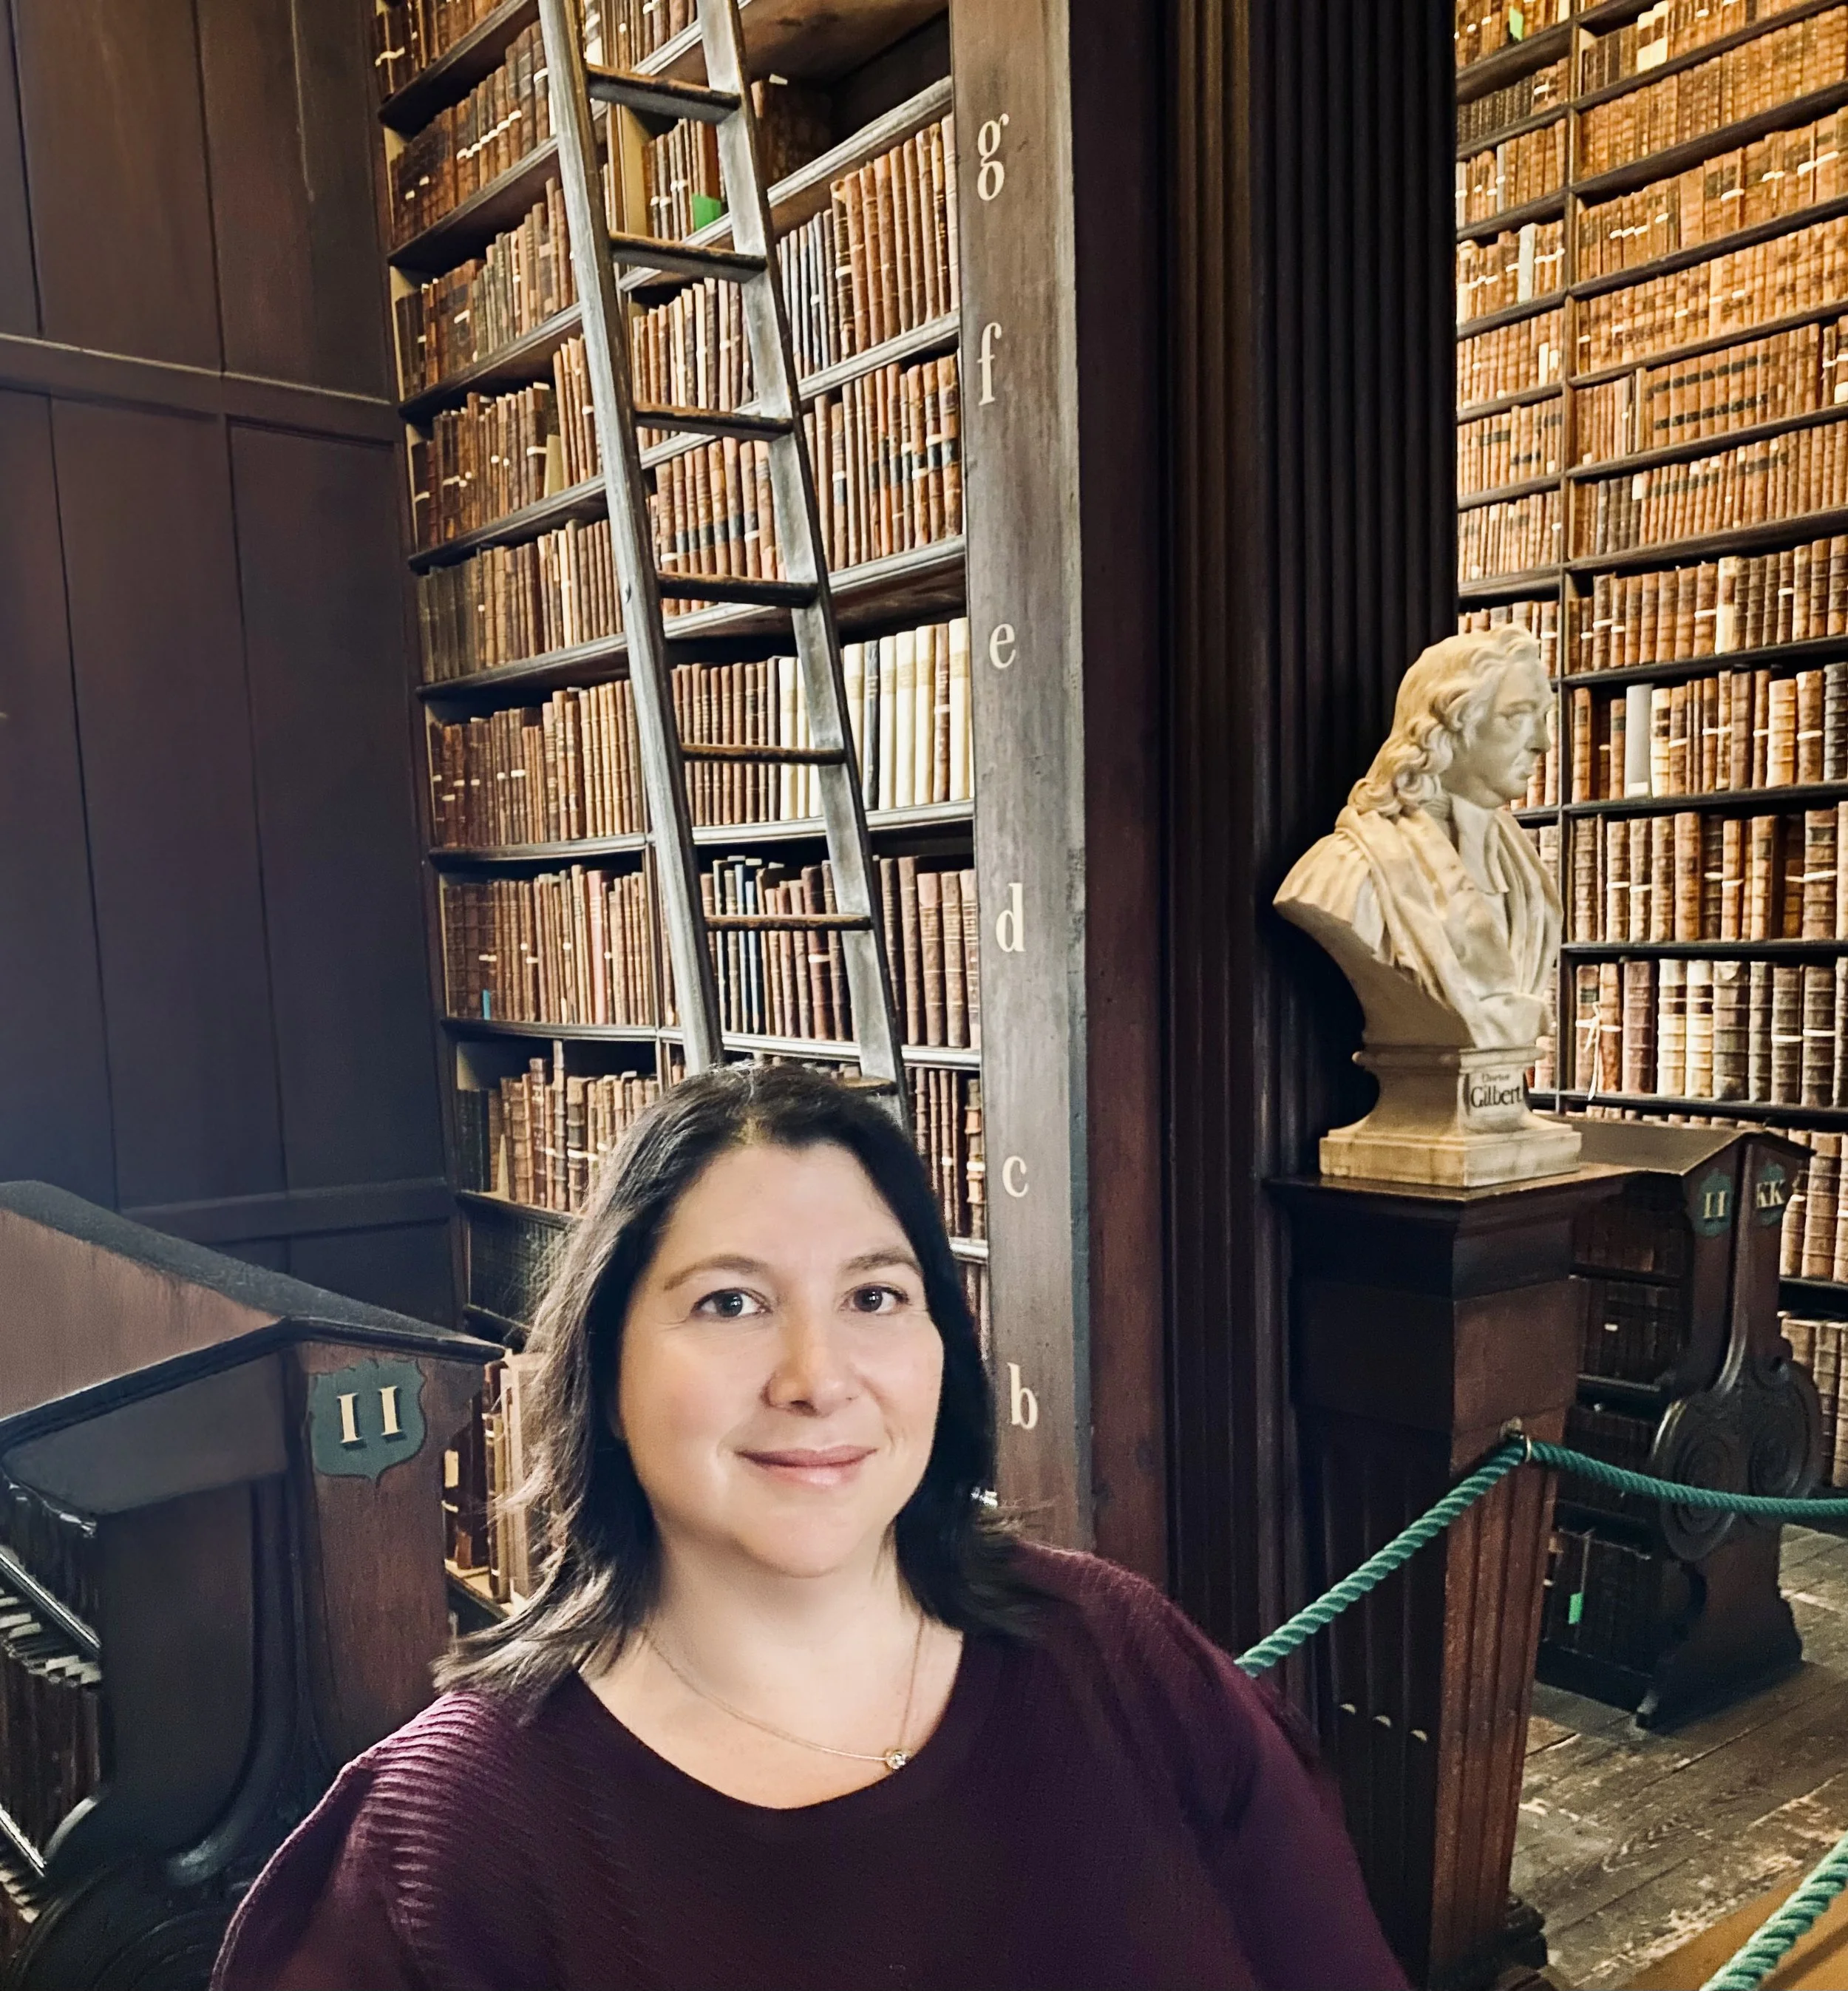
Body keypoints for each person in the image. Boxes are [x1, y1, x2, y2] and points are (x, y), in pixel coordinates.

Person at [212, 1063, 1407, 1991]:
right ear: (606, 1377)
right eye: (730, 1301)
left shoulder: (1124, 1652)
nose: (815, 1374)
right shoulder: (449, 1834)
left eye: (876, 1295)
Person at [1274, 623, 1560, 1051]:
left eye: (1544, 718)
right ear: (1447, 725)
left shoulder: (1524, 870)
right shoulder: (1345, 873)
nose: (1543, 743)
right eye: (1517, 717)